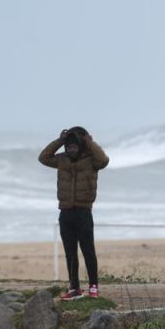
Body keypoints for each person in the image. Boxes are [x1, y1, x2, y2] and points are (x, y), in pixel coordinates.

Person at [39, 126, 109, 299]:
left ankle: (93, 287)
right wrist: (60, 140)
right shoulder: (61, 160)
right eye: (68, 147)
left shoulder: (92, 160)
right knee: (70, 252)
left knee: (88, 251)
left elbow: (104, 160)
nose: (71, 150)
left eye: (74, 147)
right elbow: (43, 157)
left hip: (83, 212)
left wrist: (90, 142)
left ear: (81, 146)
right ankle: (74, 288)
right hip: (65, 212)